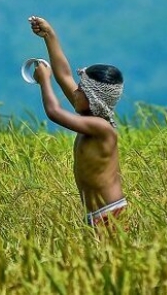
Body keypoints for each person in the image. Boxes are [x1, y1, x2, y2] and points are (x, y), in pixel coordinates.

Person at [28, 15, 127, 228]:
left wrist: (44, 81)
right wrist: (49, 36)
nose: (75, 91)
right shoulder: (89, 117)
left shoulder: (100, 128)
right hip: (95, 214)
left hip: (109, 213)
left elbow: (54, 112)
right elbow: (63, 74)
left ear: (94, 98)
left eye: (81, 89)